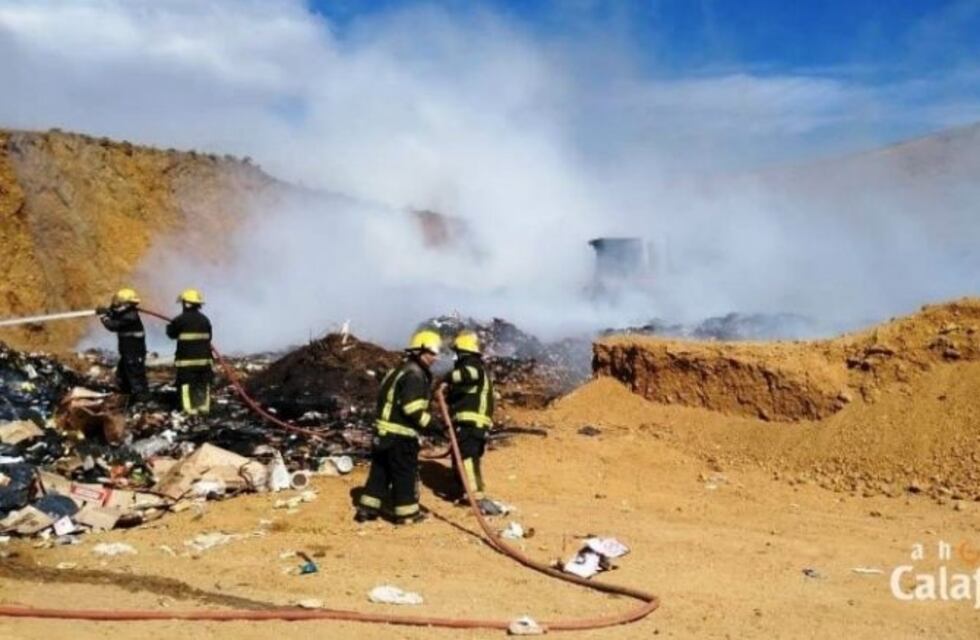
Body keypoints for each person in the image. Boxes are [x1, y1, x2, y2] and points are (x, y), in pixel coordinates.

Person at [355, 329, 442, 524]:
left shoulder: (398, 371)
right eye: (431, 353)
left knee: (380, 472)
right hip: (400, 435)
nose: (435, 358)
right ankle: (407, 514)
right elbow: (412, 409)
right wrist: (434, 425)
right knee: (405, 473)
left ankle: (367, 509)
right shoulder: (415, 375)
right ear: (419, 351)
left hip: (383, 433)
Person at [439, 330, 496, 513]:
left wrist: (446, 378)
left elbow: (467, 374)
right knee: (462, 458)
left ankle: (476, 497)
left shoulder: (472, 365)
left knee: (467, 458)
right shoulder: (475, 365)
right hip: (470, 424)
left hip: (471, 423)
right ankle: (466, 492)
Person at [165, 288, 213, 415]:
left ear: (186, 304)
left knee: (186, 386)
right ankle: (204, 408)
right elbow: (209, 337)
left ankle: (189, 410)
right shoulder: (205, 320)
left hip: (187, 362)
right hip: (205, 361)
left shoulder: (180, 320)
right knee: (202, 384)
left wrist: (169, 327)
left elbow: (171, 334)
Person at [97, 288, 149, 403]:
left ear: (125, 304)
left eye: (118, 303)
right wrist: (108, 311)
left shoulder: (130, 317)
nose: (116, 305)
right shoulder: (127, 313)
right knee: (123, 377)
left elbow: (113, 326)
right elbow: (116, 314)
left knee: (136, 379)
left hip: (133, 355)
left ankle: (143, 403)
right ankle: (128, 400)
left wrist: (103, 317)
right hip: (128, 354)